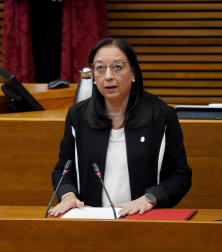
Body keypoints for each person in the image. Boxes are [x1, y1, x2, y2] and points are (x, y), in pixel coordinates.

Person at [49, 37, 192, 217]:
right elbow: (63, 170)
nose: (108, 76)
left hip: (144, 218)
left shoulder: (161, 116)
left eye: (117, 67)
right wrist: (68, 195)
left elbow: (180, 175)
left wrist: (150, 198)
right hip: (90, 218)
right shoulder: (78, 116)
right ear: (93, 74)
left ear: (133, 72)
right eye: (100, 68)